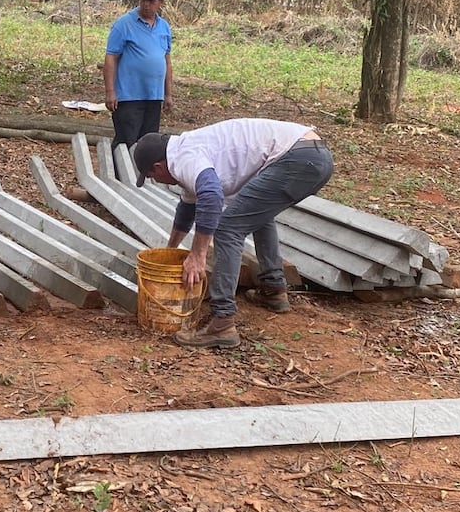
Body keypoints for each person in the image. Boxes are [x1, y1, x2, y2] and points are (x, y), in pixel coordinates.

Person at [134, 119, 334, 349]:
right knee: (256, 213)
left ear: (158, 167)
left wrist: (198, 256)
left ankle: (222, 324)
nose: (156, 182)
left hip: (298, 159)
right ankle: (273, 289)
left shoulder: (184, 158)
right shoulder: (186, 152)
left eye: (151, 177)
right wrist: (170, 251)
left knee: (228, 228)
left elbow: (211, 196)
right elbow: (186, 211)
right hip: (312, 155)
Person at [103, 0, 173, 149]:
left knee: (148, 144)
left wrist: (168, 94)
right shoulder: (124, 24)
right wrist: (110, 92)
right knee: (126, 142)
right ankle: (117, 175)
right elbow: (111, 57)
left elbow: (167, 61)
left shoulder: (163, 27)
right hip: (129, 97)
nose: (146, 4)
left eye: (151, 0)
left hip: (153, 96)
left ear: (160, 2)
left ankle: (141, 176)